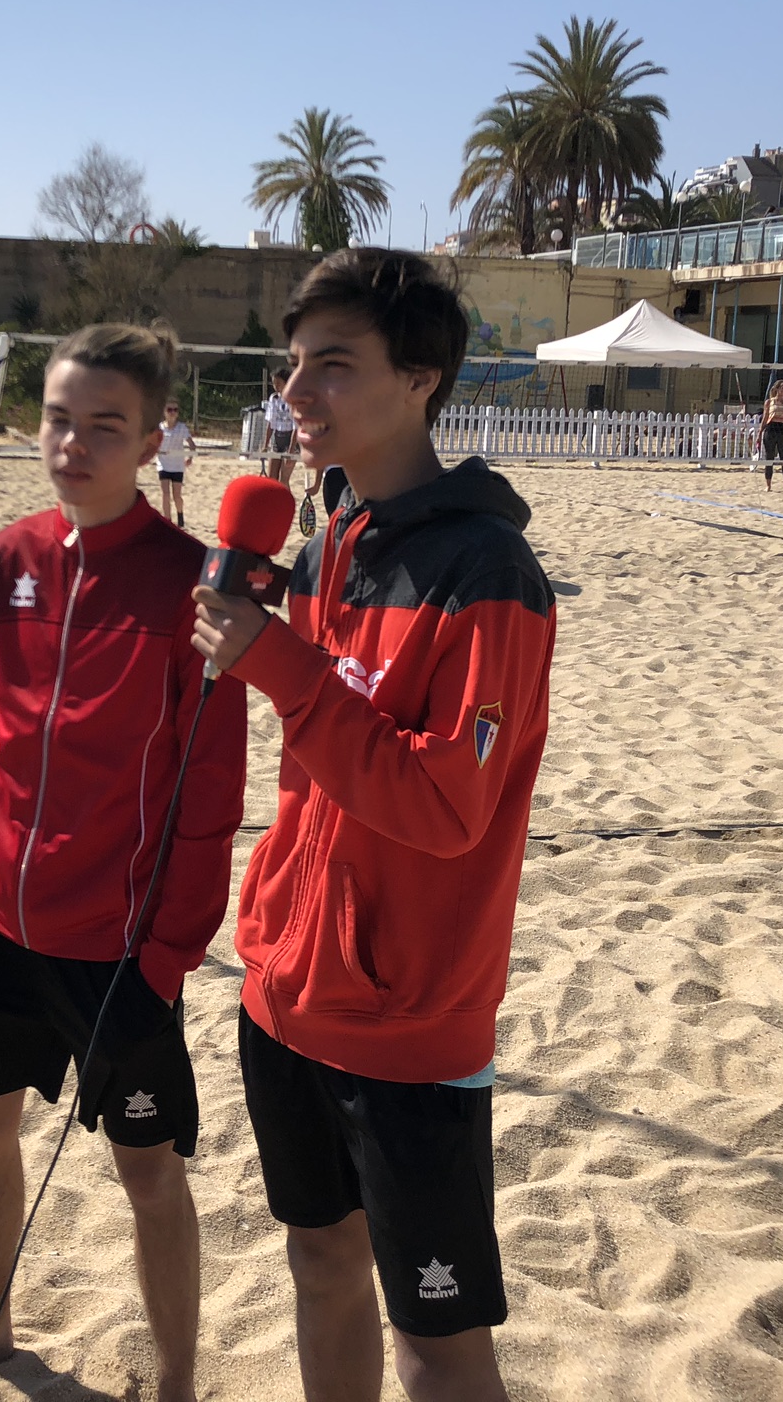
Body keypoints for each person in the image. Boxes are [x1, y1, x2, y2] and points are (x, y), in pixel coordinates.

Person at [190, 249, 555, 1402]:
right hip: (283, 990)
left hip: (407, 1024)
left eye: (332, 366)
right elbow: (317, 767)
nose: (294, 393)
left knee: (435, 1345)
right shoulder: (324, 544)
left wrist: (283, 668)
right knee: (318, 1264)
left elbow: (447, 807)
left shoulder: (485, 570)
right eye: (292, 365)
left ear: (419, 379)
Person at [0, 323, 247, 1402]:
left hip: (117, 949)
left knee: (148, 1172)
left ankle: (174, 1384)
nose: (73, 445)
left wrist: (168, 953)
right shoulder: (7, 559)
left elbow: (210, 796)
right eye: (58, 420)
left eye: (104, 426)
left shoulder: (191, 588)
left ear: (154, 440)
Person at [154, 398, 194, 529]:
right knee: (165, 494)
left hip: (177, 466)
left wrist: (190, 458)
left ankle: (180, 516)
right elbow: (152, 443)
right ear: (164, 412)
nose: (172, 412)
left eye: (175, 410)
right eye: (169, 409)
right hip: (163, 464)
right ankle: (168, 521)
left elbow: (192, 444)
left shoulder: (181, 428)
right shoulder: (159, 428)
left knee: (177, 496)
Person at [760, 376, 783, 493]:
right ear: (777, 389)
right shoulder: (769, 402)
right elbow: (765, 418)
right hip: (771, 429)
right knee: (769, 458)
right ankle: (768, 486)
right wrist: (759, 433)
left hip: (782, 430)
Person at [264, 365, 297, 483]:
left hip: (290, 439)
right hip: (277, 439)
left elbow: (296, 427)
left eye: (278, 383)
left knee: (283, 480)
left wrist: (291, 450)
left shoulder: (294, 400)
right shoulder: (274, 398)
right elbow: (270, 423)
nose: (276, 386)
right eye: (274, 383)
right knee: (271, 478)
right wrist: (265, 444)